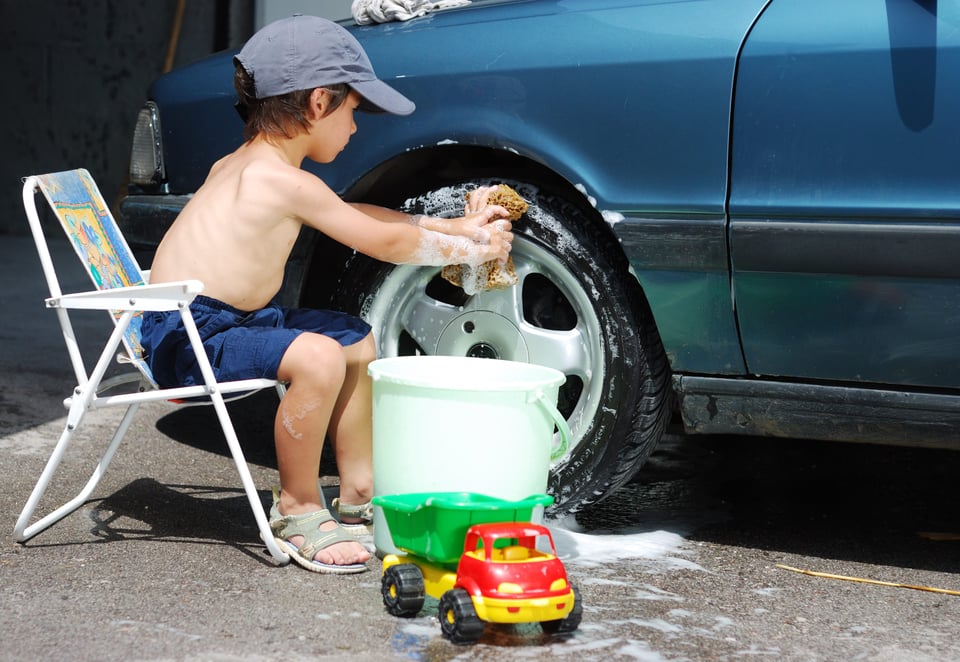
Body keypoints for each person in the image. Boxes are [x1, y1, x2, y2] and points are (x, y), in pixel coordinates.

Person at [139, 14, 512, 574]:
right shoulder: (278, 180)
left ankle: (358, 490)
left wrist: (456, 229)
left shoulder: (250, 165)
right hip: (186, 339)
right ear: (318, 103)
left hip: (222, 322)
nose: (356, 127)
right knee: (316, 355)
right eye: (354, 110)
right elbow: (382, 240)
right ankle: (297, 506)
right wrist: (471, 249)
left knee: (353, 338)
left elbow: (350, 214)